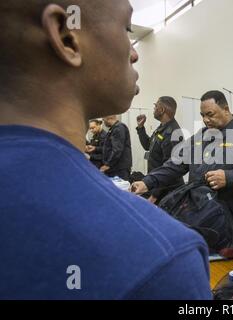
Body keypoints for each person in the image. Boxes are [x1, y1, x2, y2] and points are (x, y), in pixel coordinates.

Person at [0, 0, 211, 300]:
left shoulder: (176, 132)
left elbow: (176, 165)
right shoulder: (162, 261)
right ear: (66, 36)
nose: (135, 52)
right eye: (126, 28)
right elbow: (151, 150)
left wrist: (153, 187)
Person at [132, 90, 233, 254]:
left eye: (210, 114)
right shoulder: (201, 136)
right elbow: (175, 164)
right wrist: (147, 182)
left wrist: (229, 177)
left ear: (226, 109)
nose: (206, 120)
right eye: (203, 115)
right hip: (202, 220)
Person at [136, 97, 184, 204]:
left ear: (162, 109)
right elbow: (147, 145)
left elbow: (169, 169)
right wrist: (140, 128)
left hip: (167, 192)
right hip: (157, 184)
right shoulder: (162, 128)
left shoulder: (173, 133)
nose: (154, 108)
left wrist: (154, 195)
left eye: (155, 106)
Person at [101, 115, 133, 181]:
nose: (103, 122)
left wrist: (108, 165)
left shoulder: (118, 128)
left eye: (103, 120)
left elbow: (117, 150)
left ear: (108, 118)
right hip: (115, 167)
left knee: (121, 188)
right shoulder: (113, 128)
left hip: (119, 168)